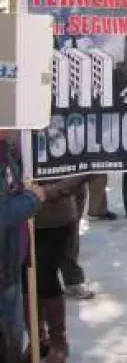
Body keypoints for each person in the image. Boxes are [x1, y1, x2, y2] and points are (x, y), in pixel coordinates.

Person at [32, 173, 90, 363]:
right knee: (25, 280)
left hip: (54, 217)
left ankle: (58, 341)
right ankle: (37, 339)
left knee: (45, 276)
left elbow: (84, 169)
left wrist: (51, 191)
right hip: (18, 216)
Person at [0, 134, 44, 361]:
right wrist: (32, 199)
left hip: (12, 261)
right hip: (4, 268)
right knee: (9, 341)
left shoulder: (6, 150)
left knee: (13, 338)